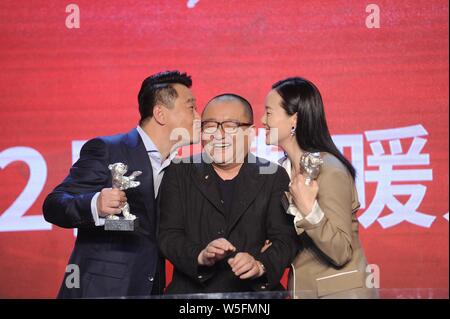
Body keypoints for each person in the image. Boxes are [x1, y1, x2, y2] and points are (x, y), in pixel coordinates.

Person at [43, 70, 200, 298]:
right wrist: (95, 205)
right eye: (191, 107)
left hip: (151, 289)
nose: (198, 116)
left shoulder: (179, 170)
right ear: (161, 114)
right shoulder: (108, 149)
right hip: (100, 290)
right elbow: (54, 205)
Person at [158, 94, 297, 294]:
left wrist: (260, 265)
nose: (219, 135)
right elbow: (168, 234)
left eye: (231, 126)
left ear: (250, 132)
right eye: (210, 126)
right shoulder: (179, 171)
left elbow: (285, 239)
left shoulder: (273, 175)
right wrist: (200, 255)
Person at [261, 77, 378, 298]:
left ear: (294, 118)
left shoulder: (330, 170)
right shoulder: (280, 171)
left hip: (339, 293)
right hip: (303, 290)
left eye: (268, 113)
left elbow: (341, 251)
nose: (262, 120)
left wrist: (309, 210)